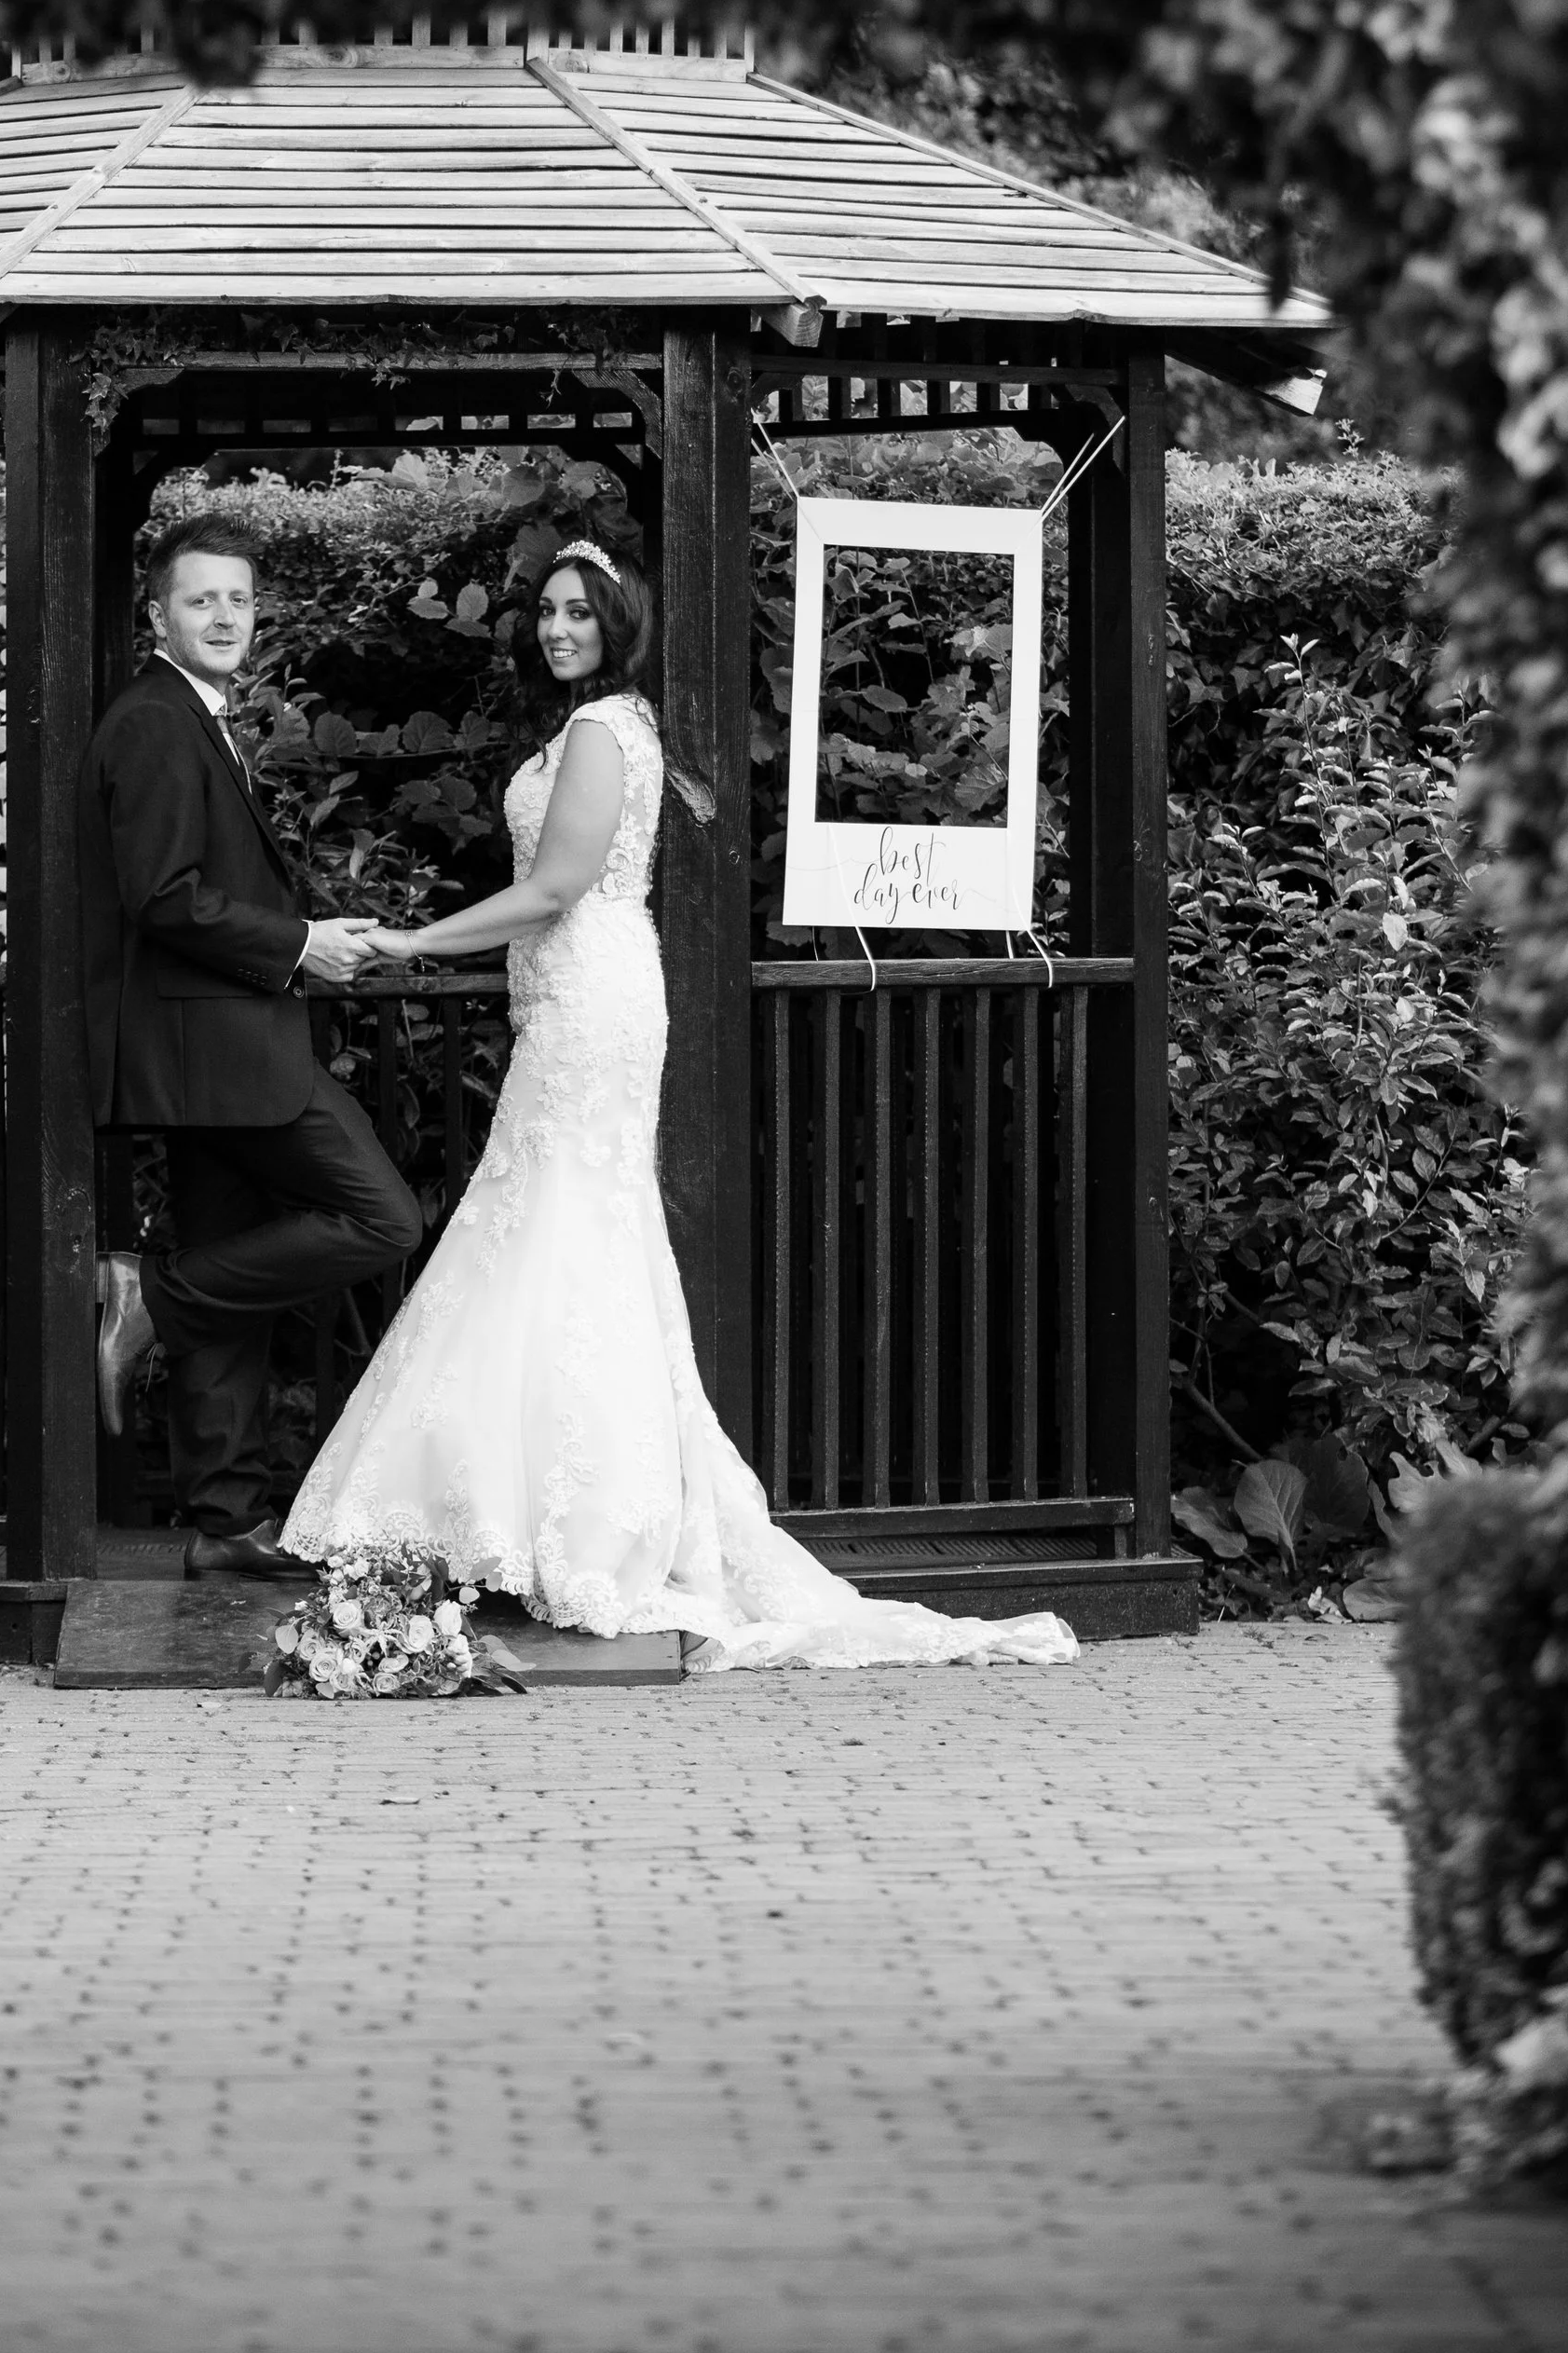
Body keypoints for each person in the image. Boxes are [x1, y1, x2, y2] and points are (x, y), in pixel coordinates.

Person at [282, 543, 1079, 1672]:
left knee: (566, 1224)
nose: (557, 628)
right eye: (547, 612)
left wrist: (411, 939)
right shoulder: (594, 727)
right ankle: (516, 1503)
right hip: (570, 989)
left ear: (617, 623)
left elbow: (556, 888)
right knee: (554, 1227)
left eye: (578, 613)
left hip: (592, 992)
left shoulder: (607, 732)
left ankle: (579, 1516)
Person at [79, 511, 421, 1579]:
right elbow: (166, 897)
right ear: (157, 616)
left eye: (236, 598)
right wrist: (302, 945)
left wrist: (308, 935)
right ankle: (148, 1298)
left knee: (231, 1270)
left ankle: (223, 1521)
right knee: (381, 1216)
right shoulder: (152, 720)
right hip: (219, 1049)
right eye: (199, 599)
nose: (223, 615)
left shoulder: (193, 714)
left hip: (213, 1052)